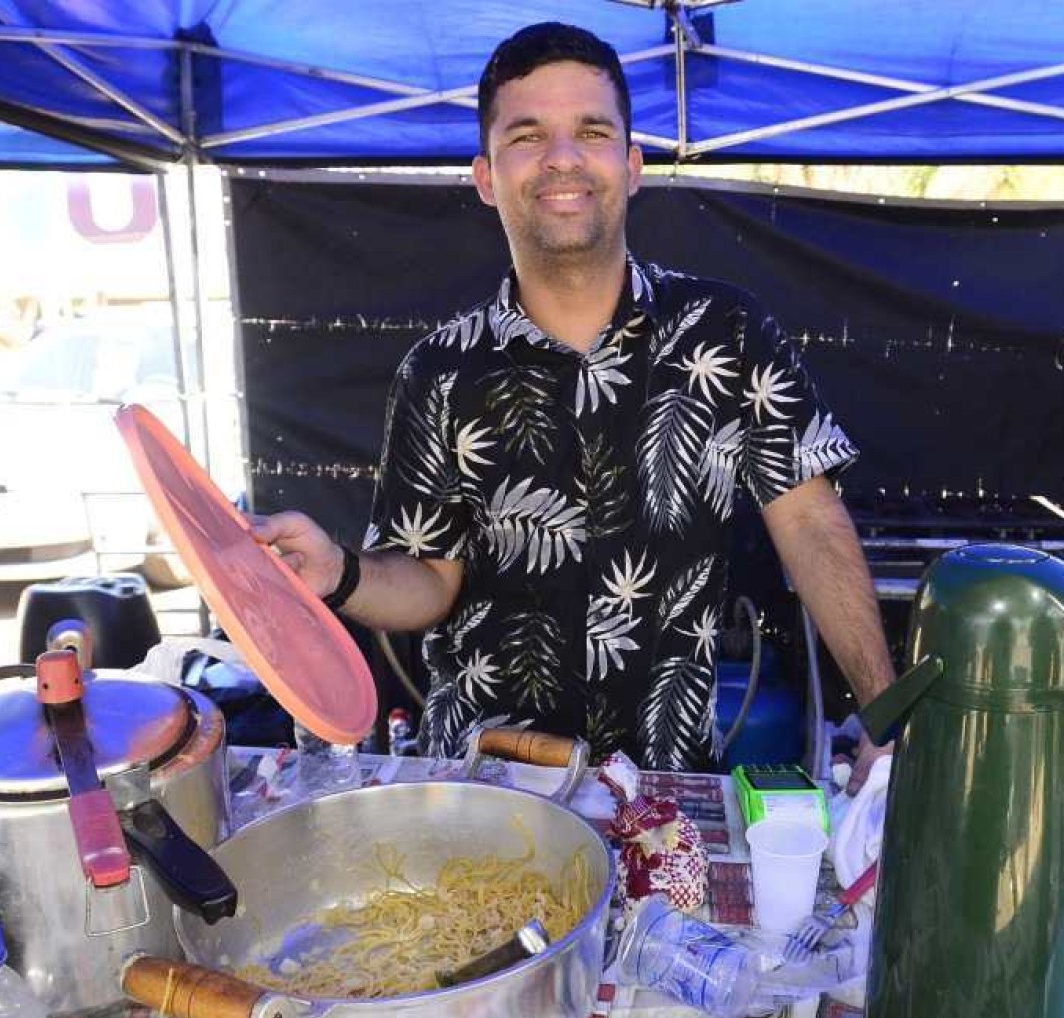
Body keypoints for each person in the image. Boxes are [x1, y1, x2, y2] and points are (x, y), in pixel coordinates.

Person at [257, 22, 895, 782]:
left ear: (631, 166)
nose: (562, 157)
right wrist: (340, 573)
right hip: (480, 784)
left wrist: (885, 719)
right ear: (486, 176)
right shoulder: (439, 371)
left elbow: (810, 522)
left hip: (663, 786)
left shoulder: (728, 332)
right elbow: (431, 578)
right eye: (527, 136)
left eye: (590, 131)